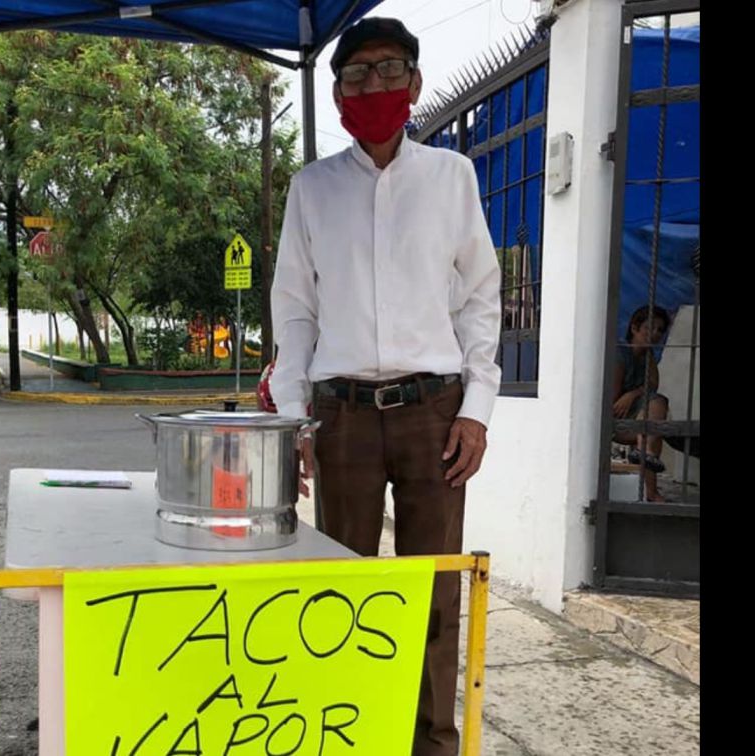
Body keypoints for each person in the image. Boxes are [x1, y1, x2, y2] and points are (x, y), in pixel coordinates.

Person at [269, 17, 501, 756]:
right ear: (339, 94)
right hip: (340, 416)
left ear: (415, 82)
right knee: (339, 588)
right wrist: (294, 418)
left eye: (389, 68)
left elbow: (480, 296)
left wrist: (477, 408)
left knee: (434, 590)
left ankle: (430, 741)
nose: (374, 84)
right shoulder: (312, 190)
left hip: (434, 412)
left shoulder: (451, 178)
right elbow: (294, 309)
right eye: (357, 74)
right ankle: (347, 734)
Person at [612, 305, 671, 502]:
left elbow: (652, 385)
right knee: (652, 427)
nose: (655, 334)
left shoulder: (648, 356)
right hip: (613, 420)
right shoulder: (620, 354)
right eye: (649, 327)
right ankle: (651, 490)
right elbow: (611, 402)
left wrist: (633, 394)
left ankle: (646, 461)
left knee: (658, 406)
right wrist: (629, 396)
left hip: (637, 421)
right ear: (634, 328)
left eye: (660, 330)